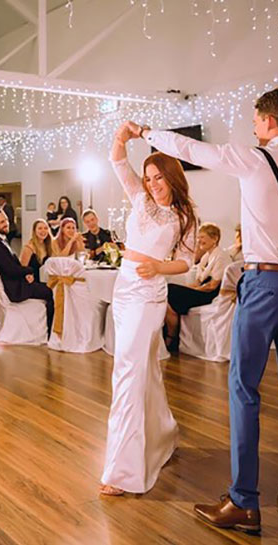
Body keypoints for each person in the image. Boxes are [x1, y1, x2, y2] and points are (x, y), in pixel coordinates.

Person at [134, 87, 278, 534]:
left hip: (264, 282)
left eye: (254, 120)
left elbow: (192, 149)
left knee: (244, 386)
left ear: (267, 121)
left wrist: (149, 132)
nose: (252, 127)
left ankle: (245, 502)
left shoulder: (254, 158)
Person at [99, 122, 196, 498]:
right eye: (149, 177)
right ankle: (162, 435)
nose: (153, 183)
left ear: (172, 177)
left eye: (159, 177)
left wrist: (158, 267)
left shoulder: (184, 217)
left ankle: (122, 471)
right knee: (140, 371)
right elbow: (117, 162)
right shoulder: (139, 199)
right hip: (124, 289)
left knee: (127, 374)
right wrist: (122, 136)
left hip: (149, 296)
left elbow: (185, 262)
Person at [0, 209, 54, 332]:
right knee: (52, 291)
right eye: (1, 222)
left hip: (17, 284)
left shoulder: (0, 241)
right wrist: (28, 270)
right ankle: (49, 330)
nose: (6, 223)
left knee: (50, 288)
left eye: (6, 220)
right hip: (15, 289)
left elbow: (12, 267)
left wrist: (26, 273)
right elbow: (10, 270)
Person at [163, 222, 230, 350]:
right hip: (202, 290)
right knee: (169, 292)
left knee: (171, 290)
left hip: (211, 294)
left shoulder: (221, 256)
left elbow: (212, 285)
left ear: (215, 238)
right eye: (198, 237)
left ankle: (172, 335)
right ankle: (171, 334)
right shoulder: (206, 256)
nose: (199, 240)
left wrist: (192, 289)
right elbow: (198, 281)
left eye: (202, 237)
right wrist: (189, 288)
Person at [20, 219, 54, 283]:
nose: (43, 231)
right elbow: (22, 268)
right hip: (32, 282)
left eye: (45, 228)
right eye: (40, 228)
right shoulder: (29, 247)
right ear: (34, 231)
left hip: (45, 281)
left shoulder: (48, 245)